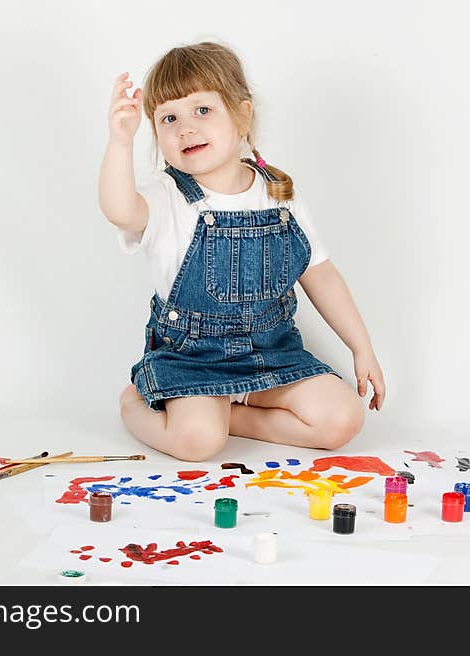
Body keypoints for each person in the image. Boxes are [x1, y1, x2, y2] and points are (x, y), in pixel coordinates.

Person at [98, 41, 385, 462]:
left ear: (242, 114)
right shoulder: (167, 197)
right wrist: (119, 143)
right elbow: (120, 211)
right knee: (197, 444)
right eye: (169, 118)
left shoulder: (278, 192)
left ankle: (227, 416)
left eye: (202, 110)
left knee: (343, 419)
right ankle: (135, 403)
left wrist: (362, 347)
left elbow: (320, 274)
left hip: (272, 354)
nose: (186, 128)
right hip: (193, 359)